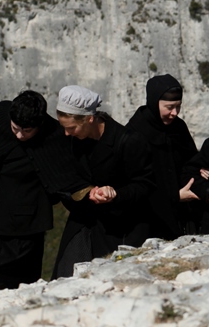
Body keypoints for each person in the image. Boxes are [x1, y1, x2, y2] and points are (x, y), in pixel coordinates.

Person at [0, 91, 90, 289]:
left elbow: (66, 175)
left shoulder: (54, 137)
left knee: (19, 282)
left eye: (26, 131)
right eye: (15, 128)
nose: (19, 135)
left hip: (25, 225)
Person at [52, 85, 156, 279]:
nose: (67, 133)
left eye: (72, 128)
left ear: (90, 119)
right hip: (85, 224)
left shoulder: (128, 141)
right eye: (64, 128)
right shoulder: (72, 140)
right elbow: (65, 177)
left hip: (122, 228)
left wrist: (115, 194)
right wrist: (86, 192)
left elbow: (145, 184)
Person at [126, 74, 200, 239]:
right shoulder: (135, 134)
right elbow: (136, 185)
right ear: (154, 102)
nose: (174, 113)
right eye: (169, 107)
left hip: (184, 215)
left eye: (178, 106)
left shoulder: (178, 127)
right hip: (150, 221)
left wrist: (202, 170)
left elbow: (191, 160)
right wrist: (174, 196)